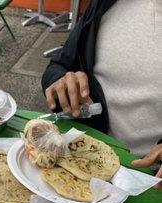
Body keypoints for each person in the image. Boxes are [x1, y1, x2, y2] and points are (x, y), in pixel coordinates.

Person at [42, 0, 162, 189]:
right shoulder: (105, 4)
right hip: (81, 165)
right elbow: (60, 64)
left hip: (151, 184)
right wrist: (61, 81)